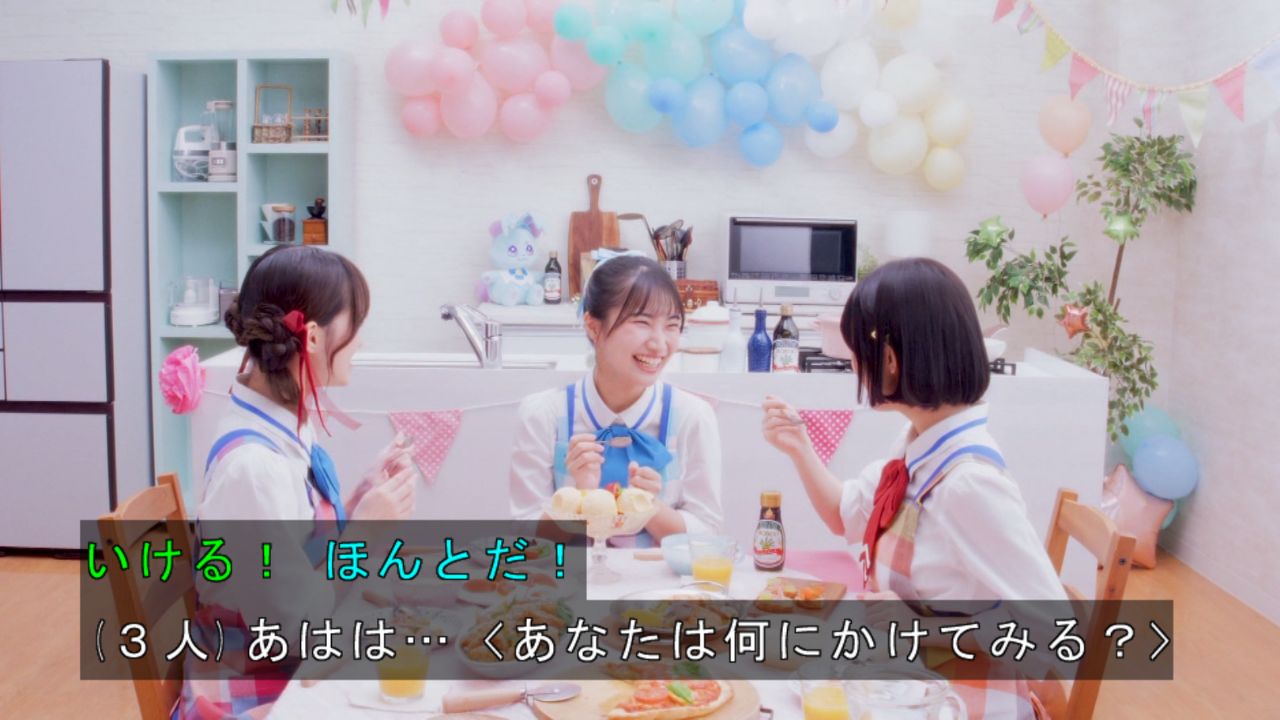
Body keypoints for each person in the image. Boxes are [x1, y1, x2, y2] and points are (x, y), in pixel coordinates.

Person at [762, 258, 1066, 719]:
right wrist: (800, 448)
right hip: (909, 680)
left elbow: (1055, 631)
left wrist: (924, 626)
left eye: (858, 351)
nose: (853, 364)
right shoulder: (917, 444)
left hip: (962, 700)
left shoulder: (967, 482)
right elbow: (845, 515)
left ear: (890, 359)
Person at [183, 245, 417, 719]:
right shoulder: (252, 467)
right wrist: (365, 534)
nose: (360, 342)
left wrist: (357, 498)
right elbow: (299, 629)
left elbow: (293, 552)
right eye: (355, 325)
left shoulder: (277, 424)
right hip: (257, 695)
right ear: (311, 337)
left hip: (289, 669)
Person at [510, 253, 722, 545]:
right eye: (642, 322)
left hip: (658, 576)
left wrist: (651, 508)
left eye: (672, 325)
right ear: (593, 326)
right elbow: (525, 535)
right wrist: (579, 498)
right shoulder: (543, 414)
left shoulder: (692, 416)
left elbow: (708, 533)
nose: (660, 344)